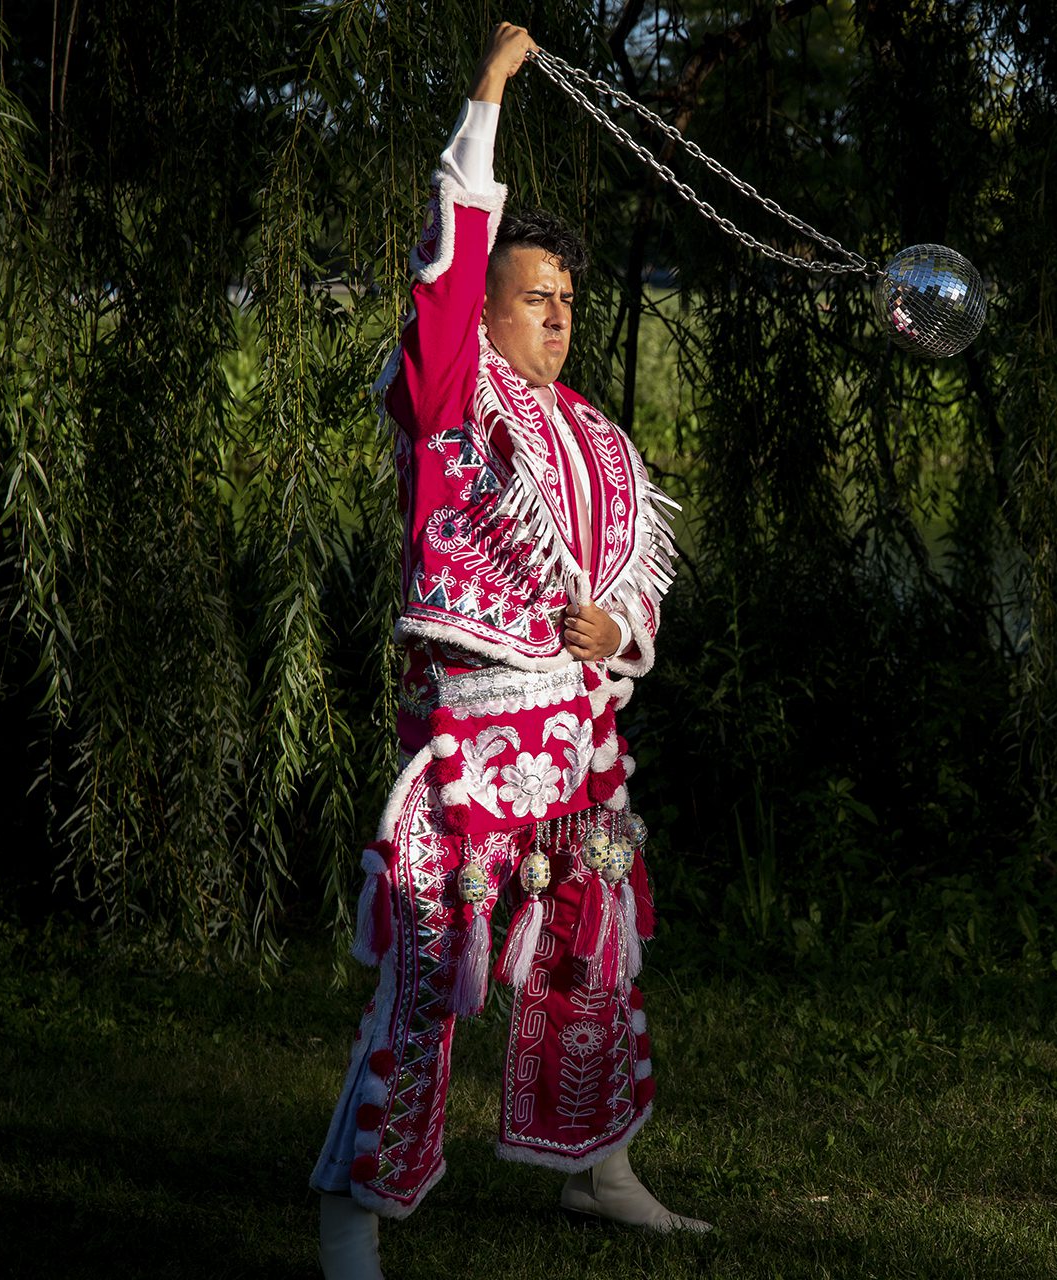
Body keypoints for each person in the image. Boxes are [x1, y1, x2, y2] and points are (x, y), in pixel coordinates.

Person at [310, 24, 707, 1279]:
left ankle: (602, 1172)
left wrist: (618, 631)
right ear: (482, 305)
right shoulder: (446, 399)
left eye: (567, 300)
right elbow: (450, 253)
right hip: (474, 744)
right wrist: (488, 95)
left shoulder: (596, 433)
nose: (556, 317)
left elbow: (636, 587)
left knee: (601, 953)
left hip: (580, 746)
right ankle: (352, 1216)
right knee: (428, 977)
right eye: (532, 296)